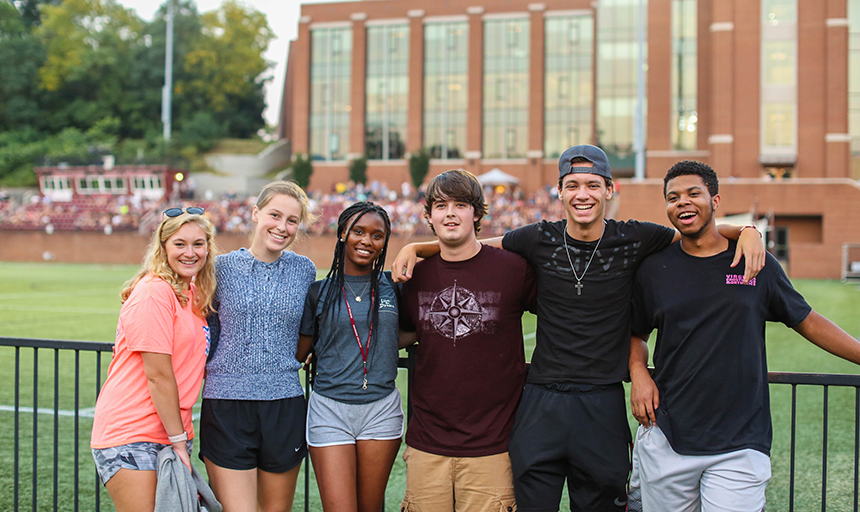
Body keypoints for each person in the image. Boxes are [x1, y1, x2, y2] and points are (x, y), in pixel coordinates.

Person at [392, 145, 766, 511]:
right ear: (560, 192)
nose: (582, 194)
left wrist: (747, 230)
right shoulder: (537, 237)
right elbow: (475, 244)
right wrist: (419, 248)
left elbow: (696, 232)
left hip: (601, 400)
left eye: (591, 185)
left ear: (608, 189)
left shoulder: (636, 237)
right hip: (541, 400)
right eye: (572, 185)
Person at [628, 160, 860, 511]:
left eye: (694, 194)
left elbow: (807, 319)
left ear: (716, 201)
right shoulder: (654, 268)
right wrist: (639, 373)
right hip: (668, 433)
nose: (683, 203)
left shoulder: (755, 262)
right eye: (673, 197)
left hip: (740, 440)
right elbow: (635, 334)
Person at [397, 169, 536, 512]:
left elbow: (560, 318)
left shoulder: (514, 269)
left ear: (477, 213)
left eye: (461, 205)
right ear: (428, 215)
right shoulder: (416, 276)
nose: (451, 214)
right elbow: (400, 334)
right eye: (441, 206)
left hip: (493, 445)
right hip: (427, 444)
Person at [91, 206, 217, 512]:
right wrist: (177, 442)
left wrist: (179, 439)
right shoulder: (154, 292)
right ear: (163, 248)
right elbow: (158, 375)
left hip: (171, 434)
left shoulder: (192, 295)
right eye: (180, 244)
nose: (190, 252)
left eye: (198, 244)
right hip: (133, 433)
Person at [199, 181, 316, 512]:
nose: (282, 227)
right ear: (255, 214)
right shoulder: (219, 269)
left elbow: (310, 330)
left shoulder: (304, 271)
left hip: (283, 405)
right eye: (275, 215)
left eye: (292, 220)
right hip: (226, 406)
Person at [296, 202, 405, 512]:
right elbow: (301, 351)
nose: (367, 241)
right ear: (343, 233)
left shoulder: (393, 287)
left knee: (371, 507)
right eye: (358, 231)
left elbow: (406, 333)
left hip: (381, 410)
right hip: (329, 409)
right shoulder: (318, 291)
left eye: (377, 235)